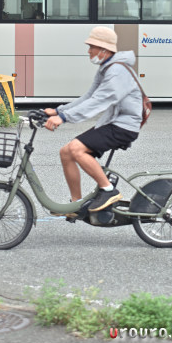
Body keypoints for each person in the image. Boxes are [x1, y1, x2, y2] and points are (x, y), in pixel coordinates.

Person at [44, 26, 143, 213]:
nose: (88, 50)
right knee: (66, 152)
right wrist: (58, 110)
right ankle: (76, 204)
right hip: (113, 123)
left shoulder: (117, 71)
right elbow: (89, 96)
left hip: (124, 126)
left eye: (92, 46)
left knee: (76, 148)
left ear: (104, 50)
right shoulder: (106, 68)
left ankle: (108, 190)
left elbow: (99, 101)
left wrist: (64, 118)